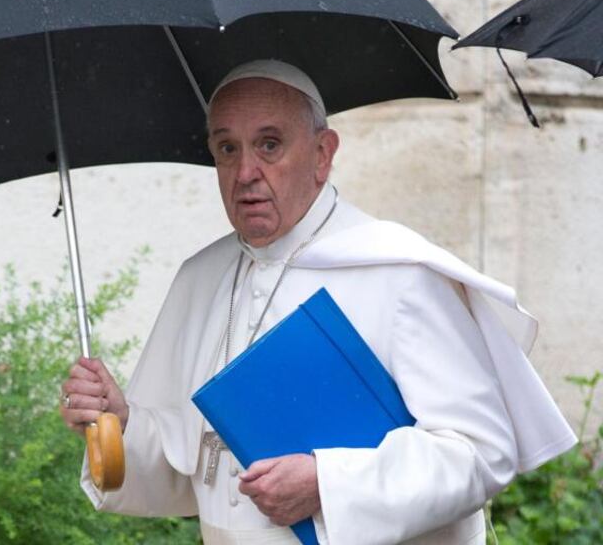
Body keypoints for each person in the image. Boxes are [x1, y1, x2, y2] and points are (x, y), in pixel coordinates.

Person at [58, 60, 576, 545]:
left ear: (323, 153)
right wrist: (123, 423)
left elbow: (479, 453)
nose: (245, 173)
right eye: (227, 149)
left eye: (269, 145)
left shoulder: (397, 272)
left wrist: (328, 483)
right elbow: (194, 469)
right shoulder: (200, 279)